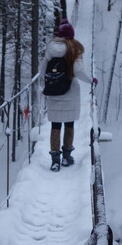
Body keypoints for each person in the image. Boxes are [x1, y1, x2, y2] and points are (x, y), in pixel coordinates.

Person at [39, 19, 97, 172]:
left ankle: (55, 160)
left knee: (55, 126)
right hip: (70, 92)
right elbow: (78, 71)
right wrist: (91, 80)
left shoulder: (50, 48)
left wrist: (43, 85)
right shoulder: (74, 49)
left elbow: (42, 70)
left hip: (53, 93)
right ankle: (66, 156)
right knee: (69, 125)